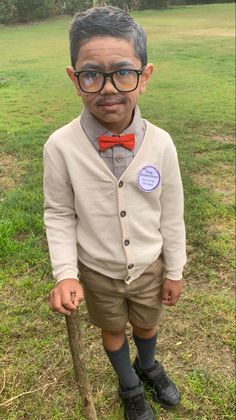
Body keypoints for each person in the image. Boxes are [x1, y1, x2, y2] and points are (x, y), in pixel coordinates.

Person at [43, 6, 186, 420]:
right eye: (92, 74)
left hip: (149, 265)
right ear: (74, 78)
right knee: (111, 329)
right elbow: (58, 213)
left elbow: (172, 213)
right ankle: (129, 386)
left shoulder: (161, 144)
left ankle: (148, 365)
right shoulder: (60, 146)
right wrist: (66, 273)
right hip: (98, 270)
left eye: (123, 72)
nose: (108, 88)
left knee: (146, 324)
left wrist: (174, 269)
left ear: (145, 76)